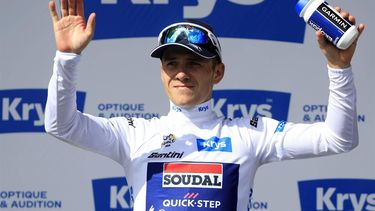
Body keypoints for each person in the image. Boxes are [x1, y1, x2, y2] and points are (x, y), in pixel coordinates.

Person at [45, 0, 365, 210]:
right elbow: (62, 125)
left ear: (218, 72)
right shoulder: (134, 133)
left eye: (194, 63)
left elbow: (339, 138)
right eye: (172, 63)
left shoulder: (249, 132)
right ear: (162, 72)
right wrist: (67, 58)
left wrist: (339, 68)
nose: (181, 73)